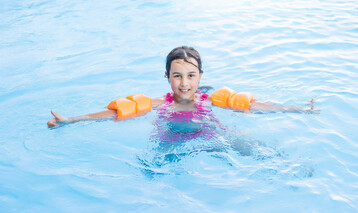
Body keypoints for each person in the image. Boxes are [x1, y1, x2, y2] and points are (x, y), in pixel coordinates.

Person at [47, 46, 318, 128]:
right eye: (177, 76)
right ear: (167, 77)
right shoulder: (159, 103)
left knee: (247, 149)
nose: (184, 83)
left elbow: (256, 107)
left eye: (190, 75)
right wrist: (71, 119)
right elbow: (117, 113)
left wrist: (298, 109)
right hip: (169, 140)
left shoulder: (211, 100)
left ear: (200, 77)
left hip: (210, 135)